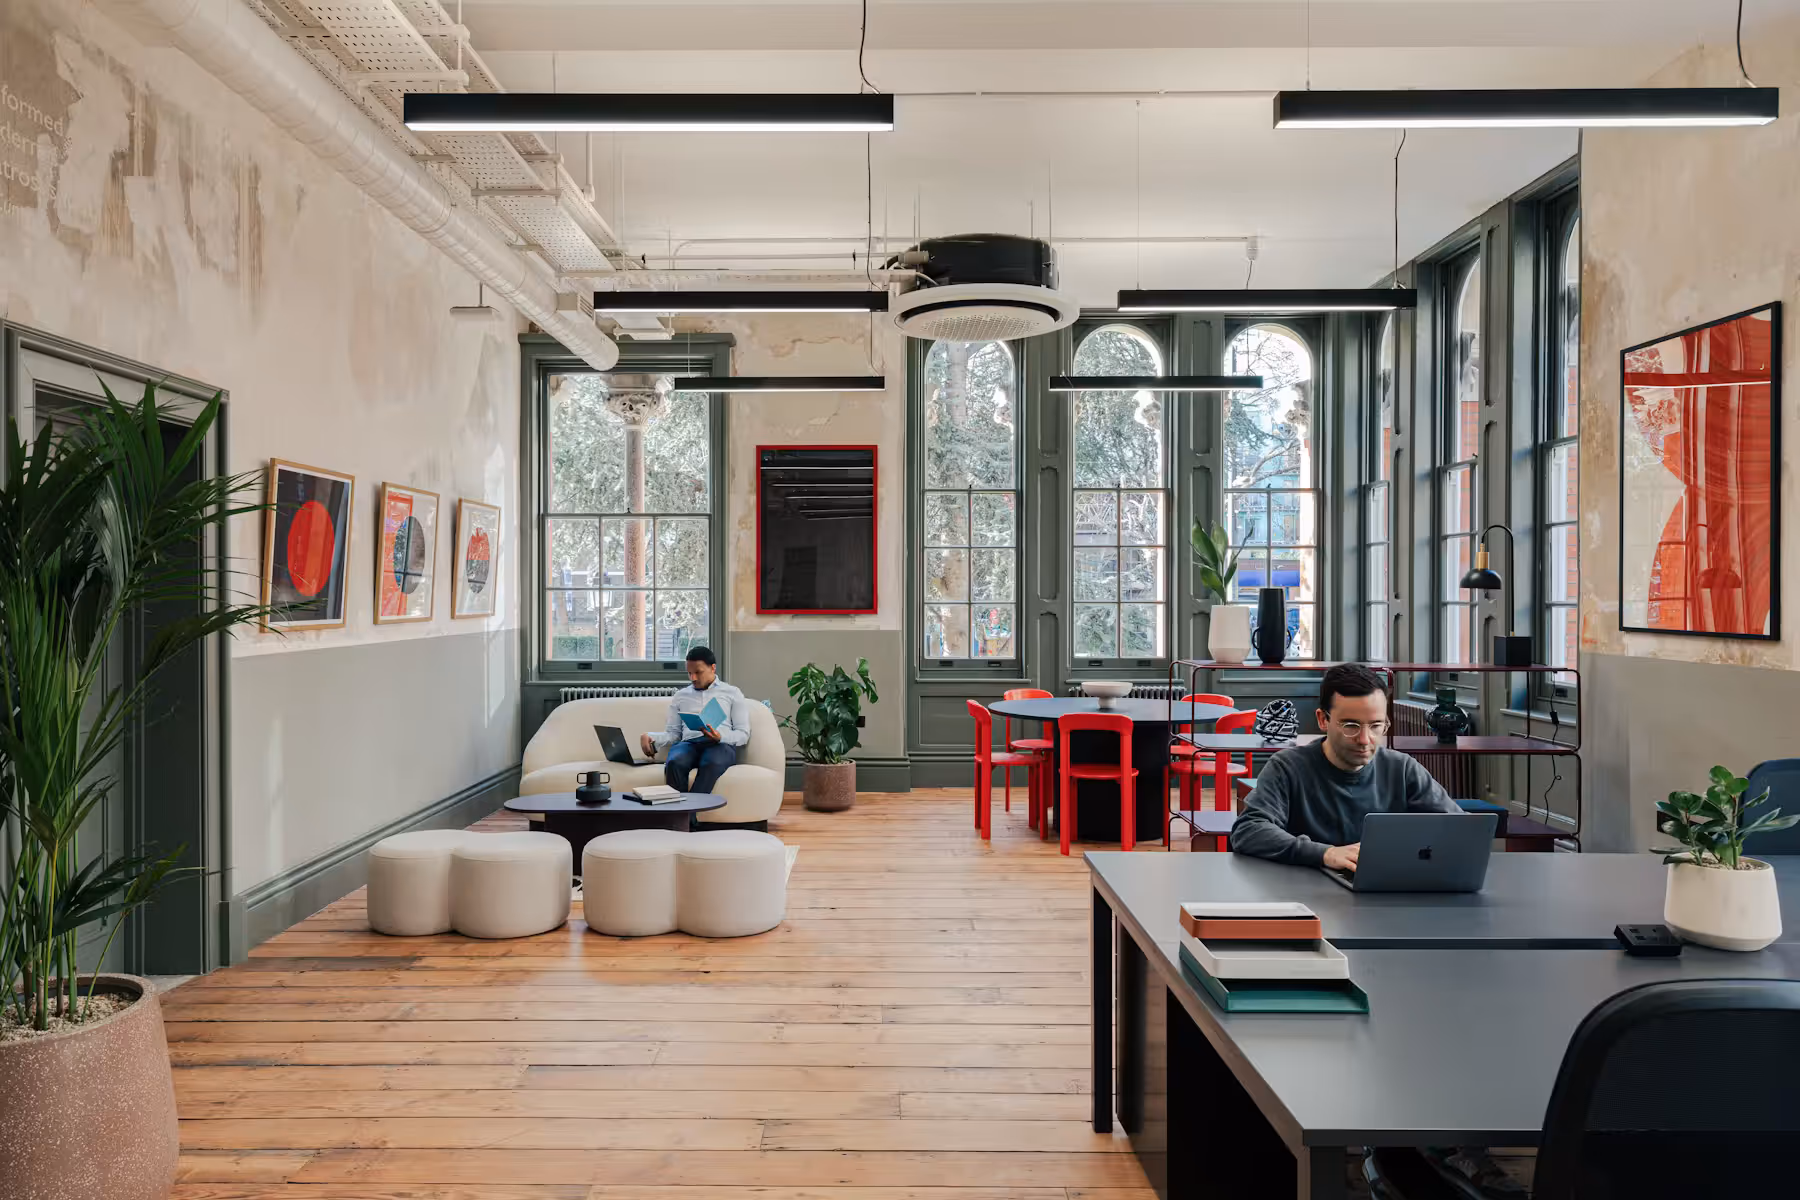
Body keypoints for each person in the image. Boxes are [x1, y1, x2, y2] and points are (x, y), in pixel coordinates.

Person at [1228, 662, 1459, 872]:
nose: (1365, 740)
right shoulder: (1287, 767)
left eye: (1376, 726)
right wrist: (1325, 854)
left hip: (1388, 892)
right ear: (1323, 720)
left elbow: (1460, 828)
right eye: (1351, 726)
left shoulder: (1403, 769)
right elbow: (1249, 830)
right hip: (1308, 893)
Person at [640, 646, 748, 794]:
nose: (693, 678)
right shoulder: (681, 696)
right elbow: (674, 734)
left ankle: (690, 809)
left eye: (698, 672)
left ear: (713, 668)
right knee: (674, 762)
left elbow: (743, 733)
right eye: (690, 673)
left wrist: (720, 736)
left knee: (711, 763)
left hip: (720, 745)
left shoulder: (732, 693)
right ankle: (680, 808)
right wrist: (651, 737)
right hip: (689, 744)